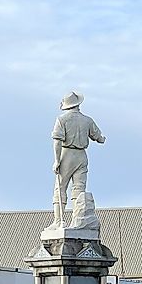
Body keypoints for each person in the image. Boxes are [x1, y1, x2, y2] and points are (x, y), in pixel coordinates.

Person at [47, 91, 105, 230]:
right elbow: (98, 137)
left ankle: (59, 220)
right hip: (82, 156)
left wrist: (56, 160)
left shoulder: (62, 120)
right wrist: (102, 139)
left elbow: (57, 141)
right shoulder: (87, 120)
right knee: (79, 189)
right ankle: (77, 220)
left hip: (67, 154)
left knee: (60, 188)